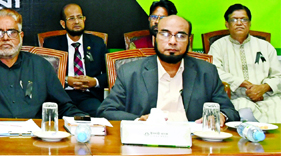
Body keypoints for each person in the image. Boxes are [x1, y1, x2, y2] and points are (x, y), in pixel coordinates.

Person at [98, 15, 239, 122]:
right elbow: (106, 110)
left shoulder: (207, 72)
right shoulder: (130, 72)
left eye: (180, 35)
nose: (172, 41)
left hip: (193, 145)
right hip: (147, 143)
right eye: (165, 34)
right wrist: (139, 121)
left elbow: (230, 111)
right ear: (154, 40)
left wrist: (220, 116)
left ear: (189, 41)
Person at [0, 8, 86, 118]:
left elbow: (63, 106)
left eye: (12, 32)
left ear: (21, 36)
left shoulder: (41, 66)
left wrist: (82, 120)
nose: (5, 38)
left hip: (35, 140)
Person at [209, 4, 281, 123]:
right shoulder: (218, 46)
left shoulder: (265, 46)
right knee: (244, 113)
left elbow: (278, 76)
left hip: (267, 97)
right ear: (227, 24)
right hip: (237, 98)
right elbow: (214, 72)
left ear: (250, 23)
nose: (239, 23)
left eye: (244, 19)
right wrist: (242, 83)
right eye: (234, 19)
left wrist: (264, 87)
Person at [43, 3, 107, 116]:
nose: (77, 22)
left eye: (79, 17)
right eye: (71, 18)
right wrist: (66, 80)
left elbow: (110, 73)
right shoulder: (51, 44)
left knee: (99, 112)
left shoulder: (97, 43)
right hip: (62, 95)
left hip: (88, 96)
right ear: (63, 24)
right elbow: (44, 75)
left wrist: (94, 81)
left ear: (84, 19)